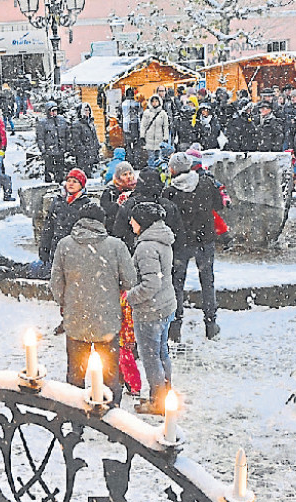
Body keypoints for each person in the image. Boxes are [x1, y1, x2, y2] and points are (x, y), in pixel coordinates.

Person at [49, 192, 137, 408]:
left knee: (76, 374)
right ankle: (111, 415)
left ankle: (76, 418)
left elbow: (55, 284)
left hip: (76, 320)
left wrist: (68, 303)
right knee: (110, 375)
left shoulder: (65, 245)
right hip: (107, 321)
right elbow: (130, 281)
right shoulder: (116, 246)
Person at [163, 152, 222, 341]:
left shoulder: (170, 191)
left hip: (181, 243)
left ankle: (175, 327)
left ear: (172, 169)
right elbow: (219, 205)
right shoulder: (206, 183)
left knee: (176, 285)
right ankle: (210, 324)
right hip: (205, 239)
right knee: (207, 281)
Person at [125, 201, 176, 414]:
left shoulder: (146, 247)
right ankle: (165, 393)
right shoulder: (162, 239)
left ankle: (157, 401)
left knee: (150, 356)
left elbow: (150, 284)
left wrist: (130, 297)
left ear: (142, 222)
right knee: (162, 352)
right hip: (166, 305)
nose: (130, 222)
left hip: (150, 311)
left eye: (133, 219)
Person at [37, 168, 103, 275]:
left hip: (74, 251)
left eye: (75, 181)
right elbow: (48, 227)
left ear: (81, 185)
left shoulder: (86, 204)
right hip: (56, 248)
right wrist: (44, 248)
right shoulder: (58, 201)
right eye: (69, 180)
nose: (71, 184)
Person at [100, 161, 138, 252]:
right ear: (118, 178)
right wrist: (120, 204)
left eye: (130, 173)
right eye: (124, 174)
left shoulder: (137, 191)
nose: (128, 177)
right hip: (115, 234)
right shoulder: (110, 192)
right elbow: (107, 211)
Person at [36, 102, 69, 184]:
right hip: (49, 151)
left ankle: (60, 183)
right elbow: (40, 138)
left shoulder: (61, 121)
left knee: (60, 170)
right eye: (52, 111)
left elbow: (67, 134)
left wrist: (66, 146)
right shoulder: (43, 123)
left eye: (55, 110)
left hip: (60, 150)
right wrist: (43, 149)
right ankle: (49, 185)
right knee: (49, 170)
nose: (54, 113)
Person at [69, 104, 101, 176]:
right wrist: (83, 150)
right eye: (85, 110)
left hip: (91, 153)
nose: (88, 112)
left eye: (88, 110)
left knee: (89, 174)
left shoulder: (90, 123)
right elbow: (76, 140)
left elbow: (94, 137)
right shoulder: (77, 125)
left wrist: (97, 147)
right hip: (83, 155)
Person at [140, 95, 171, 165]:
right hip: (149, 138)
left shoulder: (163, 113)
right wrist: (142, 136)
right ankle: (151, 171)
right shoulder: (147, 113)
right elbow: (143, 125)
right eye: (153, 101)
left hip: (159, 139)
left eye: (156, 101)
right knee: (150, 157)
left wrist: (166, 138)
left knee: (158, 157)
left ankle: (157, 171)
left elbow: (166, 126)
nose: (154, 103)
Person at [120, 88, 143, 168]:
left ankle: (130, 162)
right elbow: (141, 114)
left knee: (128, 145)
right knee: (136, 145)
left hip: (126, 125)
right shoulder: (137, 104)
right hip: (135, 125)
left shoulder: (122, 104)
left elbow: (119, 115)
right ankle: (136, 163)